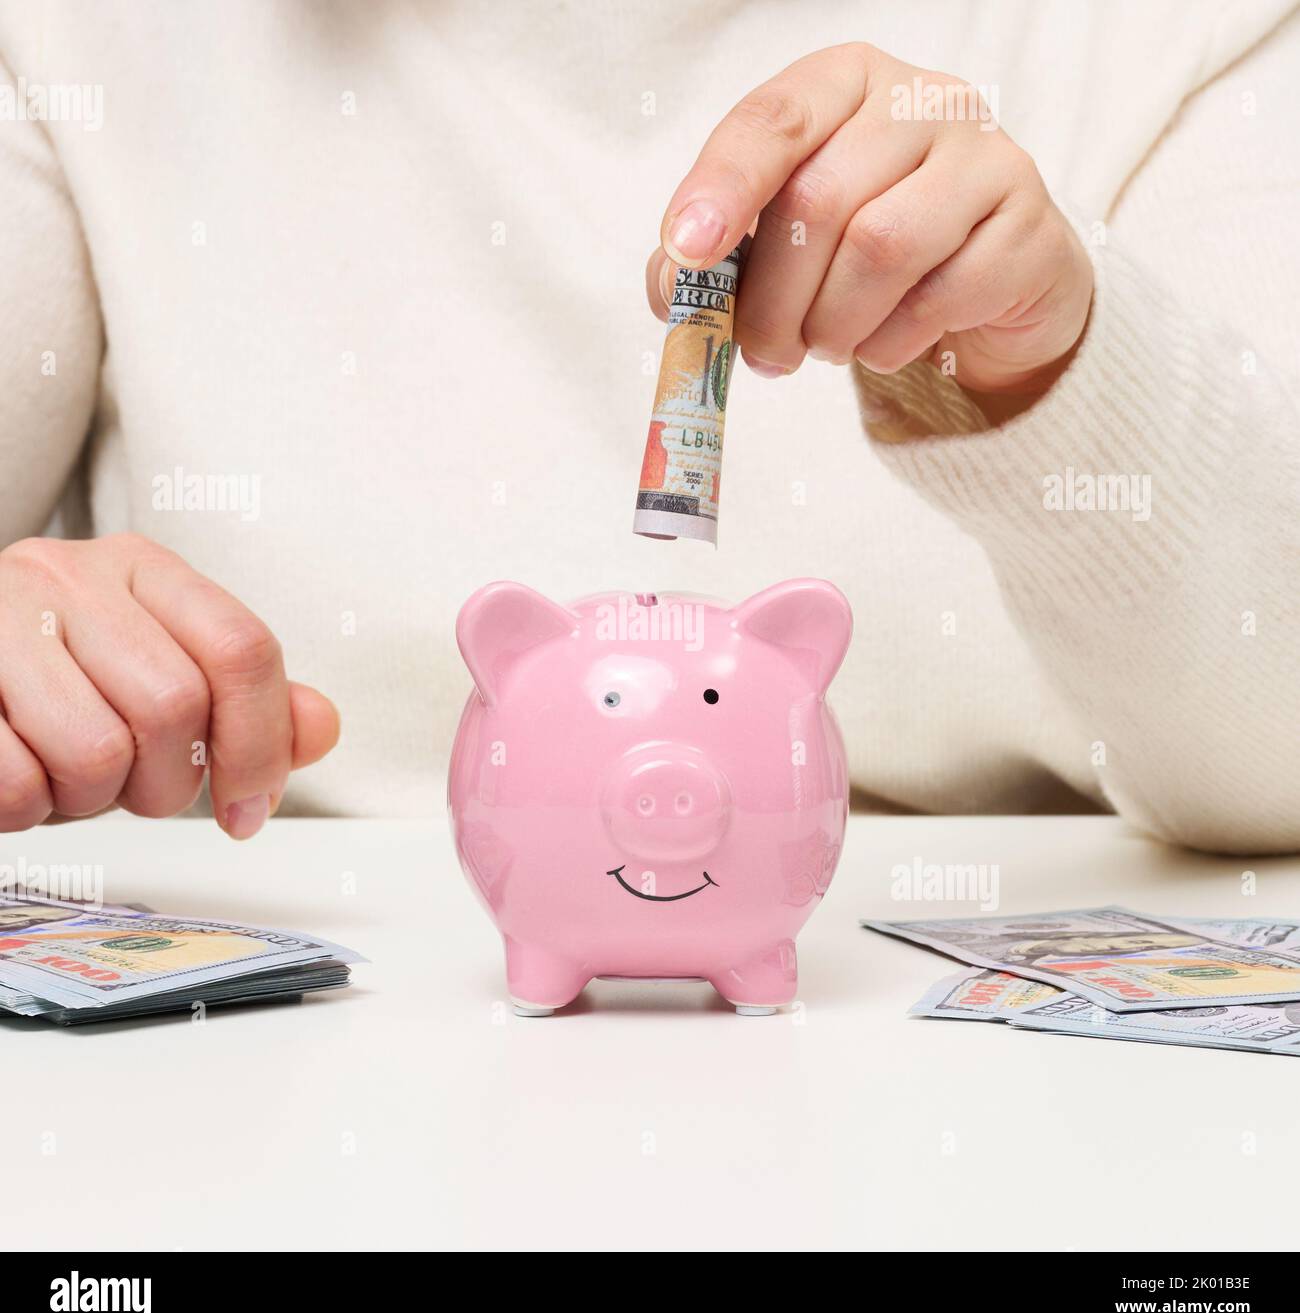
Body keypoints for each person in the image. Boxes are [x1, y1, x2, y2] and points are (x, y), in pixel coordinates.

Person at [0, 0, 1295, 852]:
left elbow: (1272, 757)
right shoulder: (92, 33)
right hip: (263, 1077)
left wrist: (1057, 375)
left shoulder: (1172, 29)